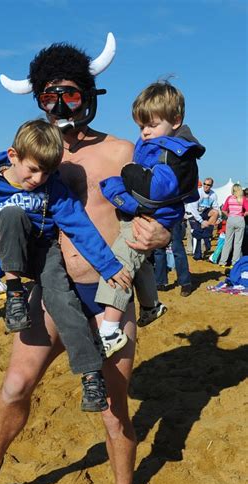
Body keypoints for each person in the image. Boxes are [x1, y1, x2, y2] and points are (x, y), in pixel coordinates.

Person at [0, 39, 170, 484]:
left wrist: (162, 232)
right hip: (50, 289)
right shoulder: (33, 155)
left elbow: (159, 214)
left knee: (114, 407)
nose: (59, 106)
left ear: (87, 93)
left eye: (68, 94)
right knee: (16, 384)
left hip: (109, 294)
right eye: (49, 96)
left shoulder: (121, 151)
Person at [0, 119, 131, 411]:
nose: (39, 178)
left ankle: (90, 375)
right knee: (12, 214)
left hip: (46, 254)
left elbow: (79, 226)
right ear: (13, 156)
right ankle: (15, 295)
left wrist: (108, 266)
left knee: (64, 303)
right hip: (12, 258)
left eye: (47, 172)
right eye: (33, 169)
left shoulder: (52, 187)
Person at [96, 80, 204, 335]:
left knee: (121, 262)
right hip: (147, 213)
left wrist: (127, 176)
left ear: (175, 120)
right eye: (142, 125)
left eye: (152, 125)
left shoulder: (175, 153)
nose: (144, 132)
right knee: (141, 263)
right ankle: (150, 305)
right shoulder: (156, 144)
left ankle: (109, 328)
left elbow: (156, 189)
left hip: (153, 216)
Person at [187, 177, 219, 260]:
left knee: (215, 212)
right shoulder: (198, 192)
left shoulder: (213, 195)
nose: (206, 186)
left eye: (208, 185)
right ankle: (197, 252)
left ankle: (206, 236)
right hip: (193, 214)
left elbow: (216, 207)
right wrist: (201, 221)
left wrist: (219, 219)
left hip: (204, 213)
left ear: (211, 186)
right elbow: (193, 209)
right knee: (196, 232)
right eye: (205, 184)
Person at [218, 184, 248, 267]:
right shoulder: (243, 199)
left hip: (231, 219)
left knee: (227, 241)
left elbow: (223, 210)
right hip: (240, 219)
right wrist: (243, 214)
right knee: (238, 243)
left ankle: (222, 261)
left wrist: (229, 215)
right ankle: (234, 263)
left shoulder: (229, 198)